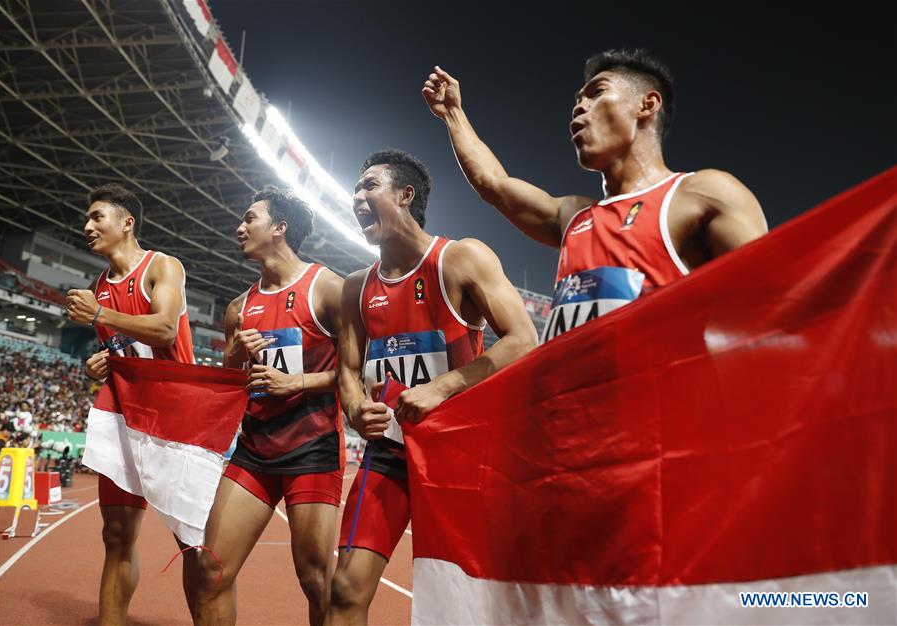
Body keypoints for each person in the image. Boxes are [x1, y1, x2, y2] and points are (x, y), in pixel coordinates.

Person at [423, 49, 768, 342]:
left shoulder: (703, 194)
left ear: (647, 105)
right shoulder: (573, 215)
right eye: (577, 100)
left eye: (596, 93)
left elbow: (768, 314)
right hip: (565, 418)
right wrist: (453, 114)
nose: (579, 107)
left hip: (660, 416)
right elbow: (492, 182)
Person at [326, 150, 538, 624]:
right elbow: (347, 370)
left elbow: (524, 339)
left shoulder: (460, 258)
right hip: (389, 457)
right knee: (344, 589)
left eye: (369, 186)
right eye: (355, 189)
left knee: (463, 603)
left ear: (406, 195)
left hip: (459, 457)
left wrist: (441, 387)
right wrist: (357, 408)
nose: (357, 197)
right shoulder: (356, 287)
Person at [194, 186, 344, 626]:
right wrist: (236, 354)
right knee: (211, 569)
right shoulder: (239, 308)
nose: (238, 228)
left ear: (280, 228)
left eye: (249, 218)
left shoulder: (328, 289)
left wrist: (294, 382)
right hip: (254, 449)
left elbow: (361, 370)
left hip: (312, 449)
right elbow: (231, 375)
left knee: (316, 580)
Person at [66, 183, 198, 624]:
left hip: (177, 423)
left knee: (192, 543)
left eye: (97, 217)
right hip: (127, 420)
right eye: (86, 219)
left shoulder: (162, 266)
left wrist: (99, 316)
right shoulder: (98, 285)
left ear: (127, 223)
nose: (87, 226)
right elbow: (125, 347)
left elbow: (162, 329)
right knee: (116, 535)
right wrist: (100, 364)